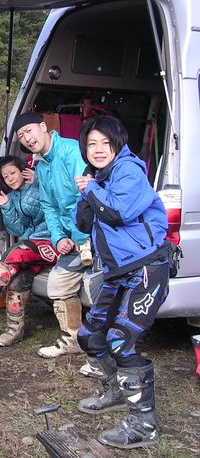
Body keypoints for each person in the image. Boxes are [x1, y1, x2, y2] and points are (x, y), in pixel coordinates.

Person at [74, 115, 169, 449]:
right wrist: (87, 191)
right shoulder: (98, 176)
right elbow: (83, 223)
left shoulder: (129, 171)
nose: (98, 149)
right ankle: (115, 390)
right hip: (118, 272)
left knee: (121, 341)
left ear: (118, 143)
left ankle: (144, 426)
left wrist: (92, 189)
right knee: (90, 335)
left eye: (105, 142)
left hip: (146, 268)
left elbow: (117, 213)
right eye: (91, 144)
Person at [13, 112, 90, 358]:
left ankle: (107, 345)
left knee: (101, 289)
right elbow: (49, 205)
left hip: (93, 233)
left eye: (29, 131)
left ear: (43, 127)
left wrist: (79, 236)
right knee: (58, 285)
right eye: (21, 136)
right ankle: (73, 340)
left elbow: (85, 196)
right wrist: (58, 238)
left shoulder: (71, 151)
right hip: (71, 236)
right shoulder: (42, 164)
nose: (27, 138)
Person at [0, 155, 58, 346]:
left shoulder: (38, 185)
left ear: (23, 171)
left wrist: (39, 180)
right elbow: (17, 230)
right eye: (5, 176)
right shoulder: (14, 197)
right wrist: (7, 206)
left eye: (13, 173)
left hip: (53, 242)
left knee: (16, 251)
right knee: (17, 281)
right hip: (32, 245)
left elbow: (60, 193)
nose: (10, 178)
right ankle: (13, 331)